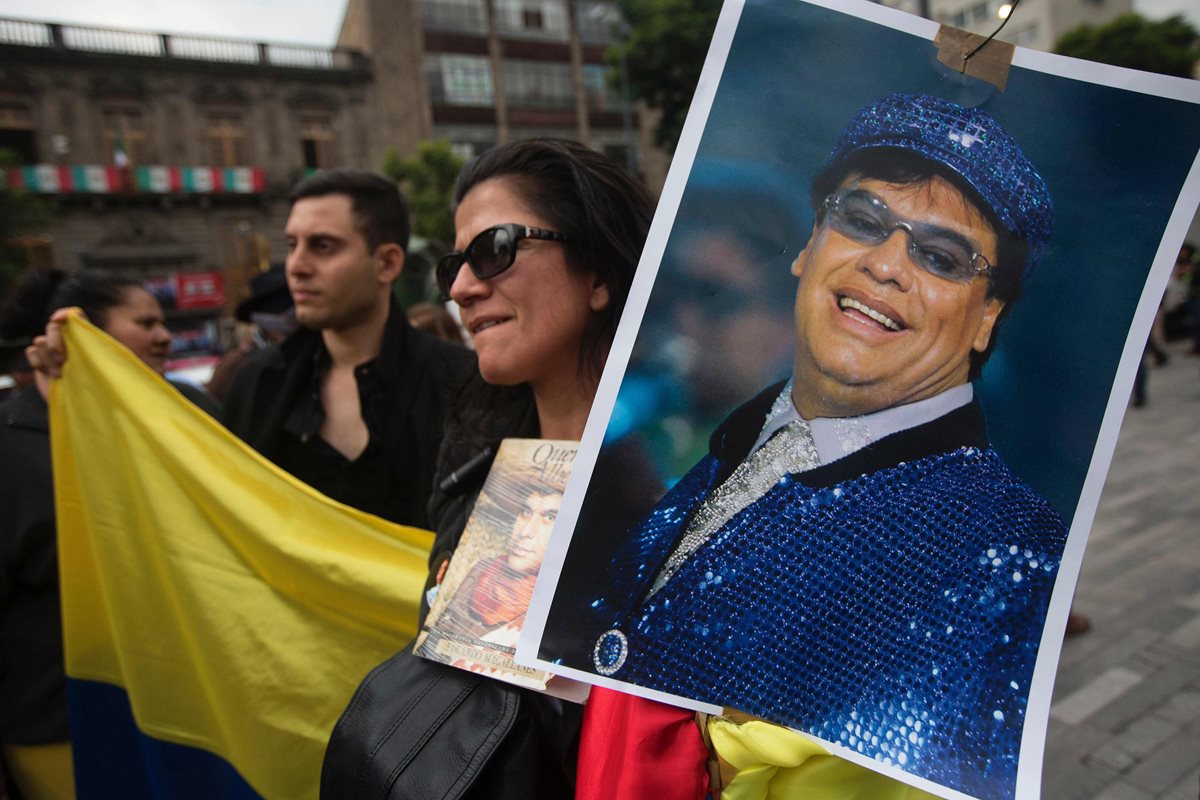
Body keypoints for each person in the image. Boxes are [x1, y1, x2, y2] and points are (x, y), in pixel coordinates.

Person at [550, 93, 1070, 800]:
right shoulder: (733, 442)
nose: (886, 264)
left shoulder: (1007, 543)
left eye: (943, 256)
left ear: (988, 318)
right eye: (861, 220)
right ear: (811, 249)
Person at [320, 138, 663, 800]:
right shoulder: (470, 477)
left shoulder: (696, 495)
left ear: (597, 271)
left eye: (495, 250)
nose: (461, 288)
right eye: (454, 264)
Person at [1, 268, 217, 800]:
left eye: (165, 321)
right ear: (86, 334)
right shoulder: (10, 445)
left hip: (189, 708)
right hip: (58, 723)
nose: (165, 336)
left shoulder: (194, 412)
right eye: (146, 322)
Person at [221, 170, 474, 527]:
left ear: (387, 263)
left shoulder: (461, 383)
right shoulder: (258, 382)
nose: (297, 267)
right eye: (293, 245)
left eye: (323, 246)